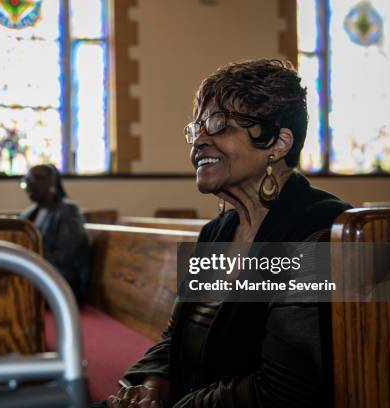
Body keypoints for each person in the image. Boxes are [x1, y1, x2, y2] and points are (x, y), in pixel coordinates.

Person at [104, 59, 352, 407]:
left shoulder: (318, 234)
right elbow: (175, 336)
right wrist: (153, 384)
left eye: (219, 124)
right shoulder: (215, 234)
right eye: (197, 128)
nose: (199, 141)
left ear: (278, 143)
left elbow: (284, 391)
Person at [20, 164, 91, 303]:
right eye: (25, 181)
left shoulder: (68, 212)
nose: (28, 186)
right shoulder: (29, 214)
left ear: (51, 182)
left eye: (32, 180)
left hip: (62, 286)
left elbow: (64, 261)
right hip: (39, 277)